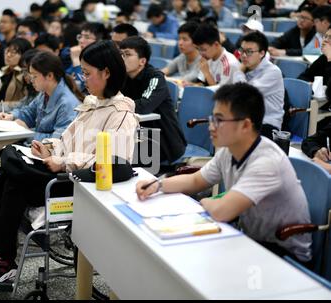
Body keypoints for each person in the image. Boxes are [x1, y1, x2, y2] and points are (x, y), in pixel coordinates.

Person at [0, 40, 138, 286]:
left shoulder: (120, 113)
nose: (83, 79)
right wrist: (49, 148)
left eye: (87, 73)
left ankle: (0, 258)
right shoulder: (92, 104)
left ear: (107, 73)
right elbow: (66, 140)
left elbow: (113, 163)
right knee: (6, 173)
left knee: (13, 178)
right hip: (61, 172)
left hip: (81, 183)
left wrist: (63, 162)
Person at [136, 82, 312, 265]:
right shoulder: (230, 151)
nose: (211, 127)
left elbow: (221, 211)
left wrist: (205, 202)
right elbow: (196, 180)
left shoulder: (267, 163)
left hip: (284, 255)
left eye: (219, 120)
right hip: (251, 240)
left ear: (245, 125)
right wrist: (158, 185)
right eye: (212, 119)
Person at [120, 36, 187, 166]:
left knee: (118, 161)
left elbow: (144, 106)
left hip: (163, 142)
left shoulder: (155, 77)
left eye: (127, 54)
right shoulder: (122, 77)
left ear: (142, 61)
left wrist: (119, 104)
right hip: (139, 137)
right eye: (120, 54)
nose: (122, 58)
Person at [0, 51, 81, 140]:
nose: (31, 80)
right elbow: (29, 112)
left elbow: (59, 140)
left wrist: (28, 133)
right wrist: (11, 116)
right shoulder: (44, 93)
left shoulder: (67, 104)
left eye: (34, 76)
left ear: (50, 76)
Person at [239, 31, 285, 139]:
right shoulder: (245, 68)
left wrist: (238, 72)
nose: (244, 55)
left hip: (267, 125)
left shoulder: (273, 72)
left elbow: (245, 94)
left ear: (262, 53)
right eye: (242, 50)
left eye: (249, 52)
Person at [191, 24, 244, 89]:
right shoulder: (208, 57)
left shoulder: (229, 64)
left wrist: (207, 73)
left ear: (216, 44)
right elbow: (202, 83)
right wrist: (190, 85)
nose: (201, 53)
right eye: (198, 49)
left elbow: (219, 94)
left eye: (203, 49)